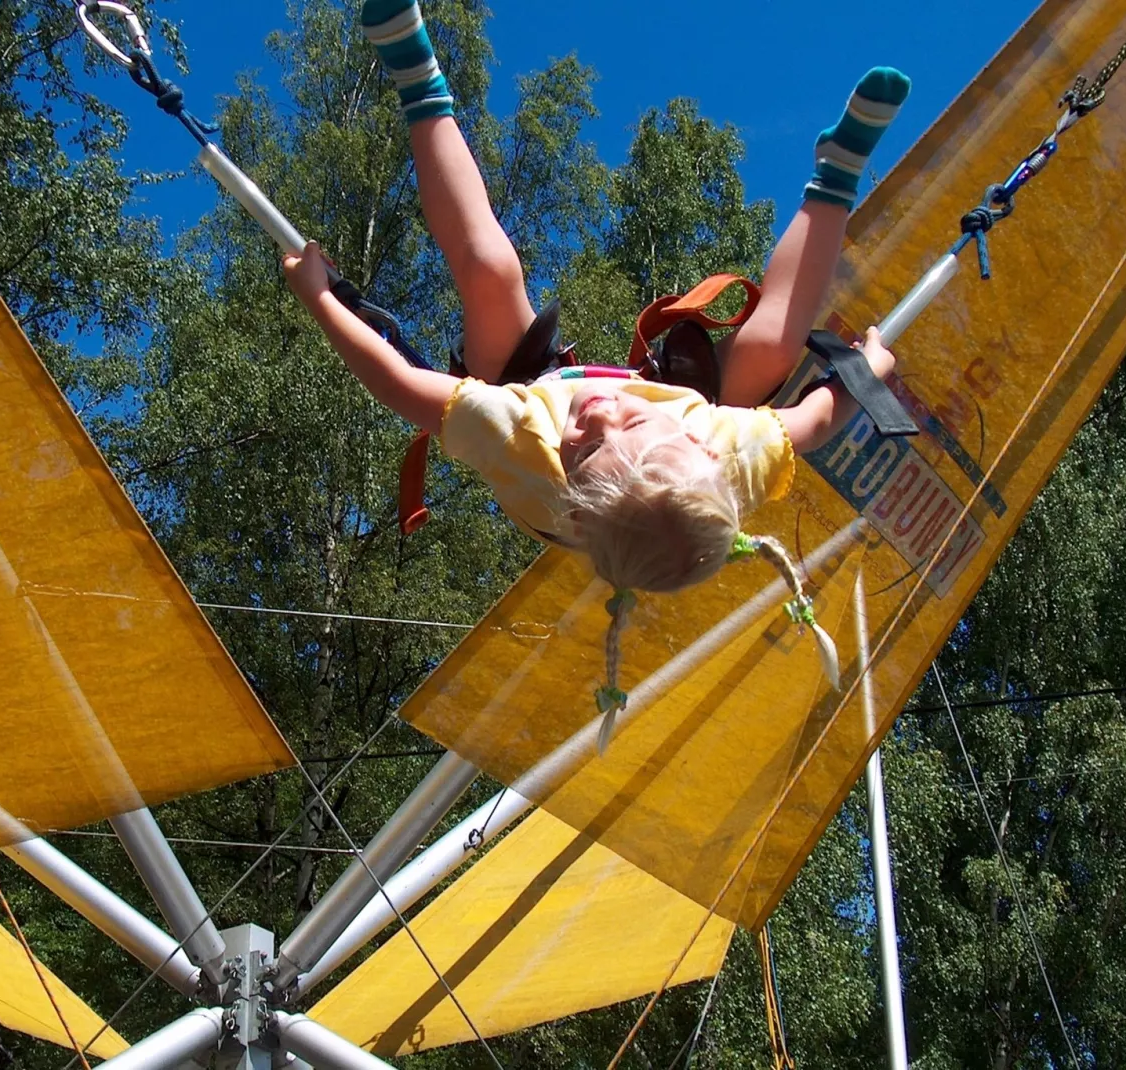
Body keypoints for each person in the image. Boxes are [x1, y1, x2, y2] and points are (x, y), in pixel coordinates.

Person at [283, 0, 908, 750]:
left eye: (588, 443)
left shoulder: (524, 443)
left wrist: (319, 297)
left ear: (573, 486)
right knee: (772, 350)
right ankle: (834, 179)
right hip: (672, 417)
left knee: (490, 272)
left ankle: (419, 82)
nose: (604, 408)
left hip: (534, 389)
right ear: (705, 449)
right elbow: (813, 420)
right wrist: (865, 370)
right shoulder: (729, 448)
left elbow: (392, 382)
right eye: (628, 421)